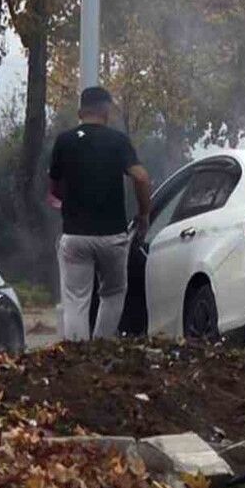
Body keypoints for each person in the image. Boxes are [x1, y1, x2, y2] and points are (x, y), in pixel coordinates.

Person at [47, 86, 152, 341]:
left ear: (81, 110)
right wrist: (144, 213)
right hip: (112, 235)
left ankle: (78, 356)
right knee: (113, 293)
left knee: (75, 298)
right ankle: (102, 347)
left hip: (75, 236)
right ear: (106, 109)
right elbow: (141, 176)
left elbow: (54, 189)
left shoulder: (64, 141)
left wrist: (67, 201)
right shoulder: (118, 141)